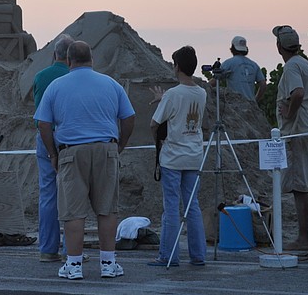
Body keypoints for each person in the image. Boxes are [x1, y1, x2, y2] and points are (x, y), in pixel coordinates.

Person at [34, 41, 135, 280]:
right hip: (106, 148)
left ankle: (74, 265)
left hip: (71, 151)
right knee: (107, 209)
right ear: (92, 59)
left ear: (68, 61)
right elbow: (129, 117)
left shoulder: (56, 86)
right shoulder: (111, 84)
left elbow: (43, 124)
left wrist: (53, 153)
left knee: (73, 212)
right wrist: (119, 145)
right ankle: (108, 264)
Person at [148, 46, 207, 267]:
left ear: (177, 66)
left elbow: (154, 124)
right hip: (194, 155)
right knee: (192, 206)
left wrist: (159, 141)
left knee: (171, 207)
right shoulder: (201, 92)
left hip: (173, 157)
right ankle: (198, 255)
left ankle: (169, 255)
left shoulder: (172, 95)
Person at [273, 25, 308, 250]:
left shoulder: (291, 67)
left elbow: (298, 93)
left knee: (300, 186)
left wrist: (290, 113)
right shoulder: (307, 65)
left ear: (279, 46)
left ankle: (302, 238)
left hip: (297, 130)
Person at [32, 33, 74, 262]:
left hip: (45, 136)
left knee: (48, 194)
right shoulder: (73, 76)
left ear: (53, 55)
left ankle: (48, 250)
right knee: (71, 194)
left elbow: (39, 116)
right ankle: (71, 249)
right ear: (71, 57)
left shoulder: (41, 76)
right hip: (70, 138)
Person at [210, 36, 266, 101]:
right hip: (251, 105)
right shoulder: (254, 65)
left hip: (235, 104)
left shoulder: (229, 63)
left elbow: (215, 81)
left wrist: (203, 87)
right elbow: (263, 85)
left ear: (232, 48)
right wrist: (255, 100)